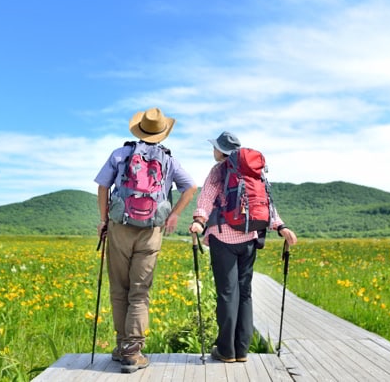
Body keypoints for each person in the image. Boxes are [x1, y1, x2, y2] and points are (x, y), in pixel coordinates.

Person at [95, 107, 197, 374]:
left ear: (139, 129)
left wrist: (105, 220)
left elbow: (103, 186)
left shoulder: (120, 153)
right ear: (162, 133)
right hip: (152, 230)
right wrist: (173, 215)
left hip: (120, 226)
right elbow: (191, 186)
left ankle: (120, 347)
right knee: (140, 293)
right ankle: (133, 352)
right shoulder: (169, 160)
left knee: (120, 289)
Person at [189, 131, 297, 363]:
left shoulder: (219, 171)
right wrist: (280, 227)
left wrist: (199, 221)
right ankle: (242, 350)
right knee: (245, 293)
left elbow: (207, 197)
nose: (213, 151)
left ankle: (226, 351)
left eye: (215, 147)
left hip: (223, 240)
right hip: (249, 239)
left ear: (222, 151)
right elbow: (265, 202)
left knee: (227, 294)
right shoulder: (254, 173)